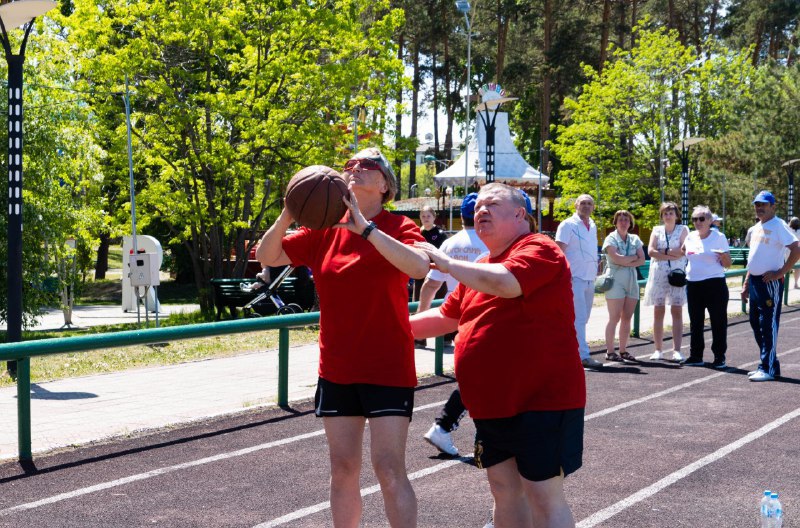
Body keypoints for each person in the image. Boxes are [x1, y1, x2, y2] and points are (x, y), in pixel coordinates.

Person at [256, 147, 429, 528]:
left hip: (388, 367)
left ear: (386, 184)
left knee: (388, 467)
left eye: (367, 167)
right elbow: (267, 255)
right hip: (338, 368)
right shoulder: (323, 230)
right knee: (343, 468)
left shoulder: (399, 227)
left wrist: (367, 230)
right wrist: (291, 209)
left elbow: (418, 266)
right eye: (349, 166)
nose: (354, 170)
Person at [411, 183, 585, 528]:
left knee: (542, 494)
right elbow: (447, 317)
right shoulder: (481, 264)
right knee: (504, 491)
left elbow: (507, 283)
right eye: (477, 207)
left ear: (520, 214)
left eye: (492, 204)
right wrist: (386, 329)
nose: (481, 210)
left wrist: (445, 263)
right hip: (492, 404)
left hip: (542, 401)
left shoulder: (539, 247)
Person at [417, 192, 488, 457]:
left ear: (461, 217)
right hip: (481, 316)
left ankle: (445, 427)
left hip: (455, 316)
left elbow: (431, 284)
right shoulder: (493, 242)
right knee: (483, 379)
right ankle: (449, 428)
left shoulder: (449, 243)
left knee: (477, 378)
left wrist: (423, 319)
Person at [741, 192, 800, 382]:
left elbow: (796, 249)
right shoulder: (757, 226)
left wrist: (780, 273)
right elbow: (754, 257)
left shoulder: (779, 225)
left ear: (773, 206)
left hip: (770, 283)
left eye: (763, 205)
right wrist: (746, 283)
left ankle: (766, 367)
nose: (759, 208)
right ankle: (770, 364)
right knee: (755, 323)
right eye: (757, 204)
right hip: (755, 282)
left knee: (768, 324)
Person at [555, 194, 604, 369]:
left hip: (590, 278)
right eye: (583, 203)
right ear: (576, 205)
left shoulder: (593, 225)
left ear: (593, 207)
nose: (586, 206)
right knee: (579, 318)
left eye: (589, 203)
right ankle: (583, 355)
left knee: (584, 318)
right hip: (574, 278)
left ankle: (569, 352)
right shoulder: (567, 225)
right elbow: (558, 251)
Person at [680, 206, 731, 369]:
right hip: (693, 284)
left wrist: (723, 257)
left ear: (710, 221)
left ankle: (719, 356)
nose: (698, 222)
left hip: (714, 283)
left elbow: (728, 264)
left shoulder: (719, 237)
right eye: (695, 219)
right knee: (696, 322)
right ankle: (696, 355)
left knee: (718, 321)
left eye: (702, 219)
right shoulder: (690, 237)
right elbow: (684, 251)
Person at [643, 202, 688, 362]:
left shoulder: (683, 230)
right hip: (658, 275)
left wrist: (663, 252)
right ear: (662, 216)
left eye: (671, 213)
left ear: (676, 215)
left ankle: (676, 350)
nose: (668, 216)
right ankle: (658, 349)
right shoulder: (656, 230)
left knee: (676, 310)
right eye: (665, 213)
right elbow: (650, 251)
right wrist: (670, 253)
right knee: (658, 310)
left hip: (677, 274)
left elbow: (683, 251)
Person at [602, 210, 645, 363]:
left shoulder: (635, 239)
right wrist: (633, 258)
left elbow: (643, 259)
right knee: (614, 317)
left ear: (630, 222)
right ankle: (610, 351)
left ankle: (623, 350)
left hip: (631, 279)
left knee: (627, 317)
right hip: (615, 279)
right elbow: (616, 259)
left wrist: (628, 259)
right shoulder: (611, 238)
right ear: (615, 222)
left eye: (626, 219)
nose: (623, 221)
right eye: (620, 219)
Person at [790, 217, 800, 289]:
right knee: (797, 268)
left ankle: (783, 284)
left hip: (787, 252)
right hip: (797, 252)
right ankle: (795, 283)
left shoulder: (787, 230)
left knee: (784, 267)